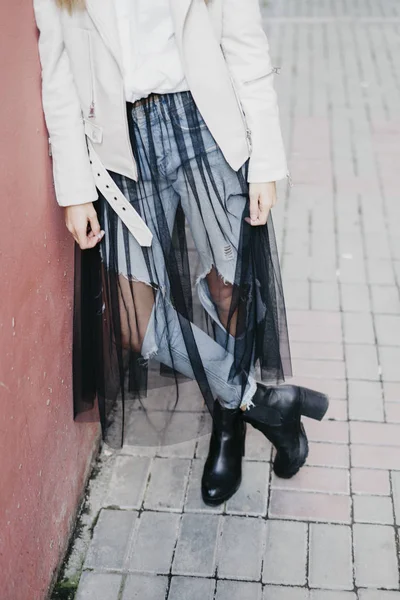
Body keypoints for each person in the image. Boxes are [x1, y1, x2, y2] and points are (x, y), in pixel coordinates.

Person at [33, 0, 329, 507]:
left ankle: (229, 430)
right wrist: (75, 186)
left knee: (228, 286)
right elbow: (57, 66)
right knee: (133, 318)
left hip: (202, 124)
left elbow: (243, 39)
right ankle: (263, 403)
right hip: (120, 141)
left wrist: (266, 161)